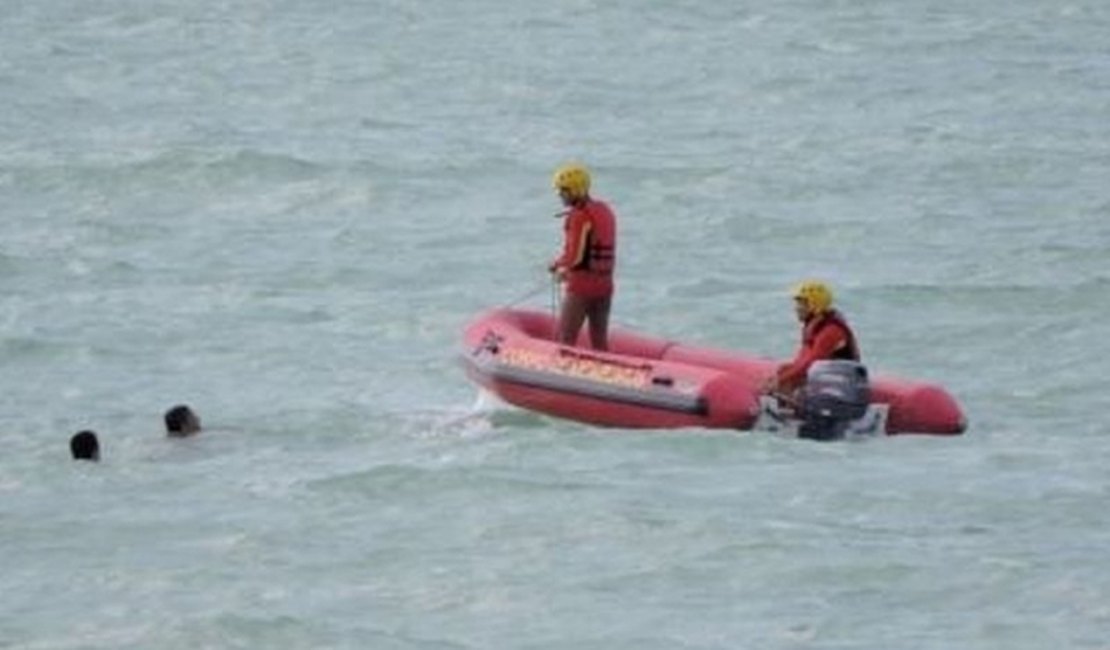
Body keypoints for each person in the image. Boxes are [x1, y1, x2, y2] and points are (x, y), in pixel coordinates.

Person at [547, 162, 617, 350]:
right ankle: (605, 376)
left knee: (566, 338)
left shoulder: (579, 217)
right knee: (599, 341)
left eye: (563, 191)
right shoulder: (604, 210)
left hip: (582, 287)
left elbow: (575, 257)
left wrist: (558, 267)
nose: (560, 195)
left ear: (575, 190)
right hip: (605, 285)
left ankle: (560, 377)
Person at [763, 280, 862, 399]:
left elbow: (811, 363)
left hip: (841, 382)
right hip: (826, 376)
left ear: (815, 305)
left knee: (789, 377)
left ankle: (789, 410)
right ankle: (783, 406)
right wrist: (780, 376)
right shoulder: (813, 327)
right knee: (784, 370)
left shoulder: (831, 330)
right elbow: (801, 361)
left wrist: (780, 380)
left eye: (802, 304)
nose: (797, 308)